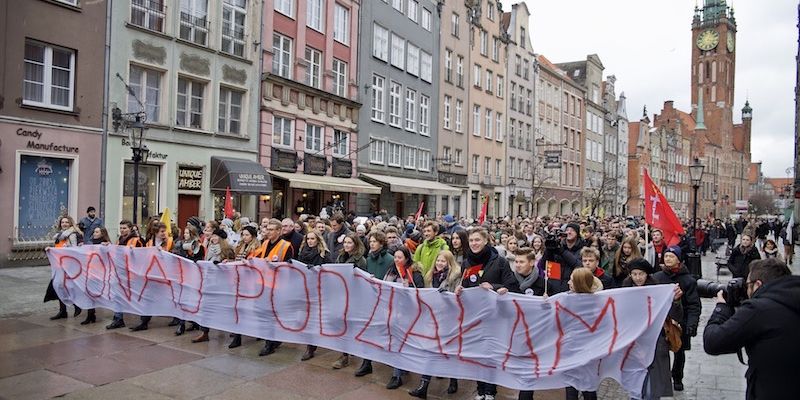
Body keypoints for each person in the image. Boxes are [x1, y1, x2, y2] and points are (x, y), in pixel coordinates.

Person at [703, 258, 800, 399]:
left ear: (758, 285)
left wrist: (722, 308)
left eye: (748, 285)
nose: (747, 291)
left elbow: (713, 342)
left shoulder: (759, 309)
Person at [455, 228, 518, 400]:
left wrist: (494, 288)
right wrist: (460, 289)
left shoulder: (500, 262)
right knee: (478, 354)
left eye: (477, 240)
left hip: (495, 317)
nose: (474, 243)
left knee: (491, 354)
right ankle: (480, 389)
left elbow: (512, 286)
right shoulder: (467, 263)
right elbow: (466, 285)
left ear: (485, 241)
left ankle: (490, 390)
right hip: (475, 317)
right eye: (472, 240)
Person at [622, 258, 684, 400]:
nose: (638, 278)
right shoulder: (624, 291)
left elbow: (676, 315)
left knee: (653, 388)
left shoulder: (657, 291)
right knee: (636, 384)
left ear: (647, 275)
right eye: (635, 274)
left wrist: (675, 300)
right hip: (634, 343)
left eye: (641, 274)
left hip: (656, 342)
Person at [409, 250, 461, 399]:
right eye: (438, 261)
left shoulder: (455, 277)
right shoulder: (430, 276)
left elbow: (459, 298)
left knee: (449, 352)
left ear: (449, 263)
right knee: (430, 352)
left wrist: (449, 295)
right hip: (433, 319)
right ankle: (423, 386)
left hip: (449, 321)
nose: (439, 263)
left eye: (443, 261)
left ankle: (453, 379)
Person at [652, 246, 701, 392]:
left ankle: (677, 377)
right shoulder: (657, 277)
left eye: (671, 256)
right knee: (661, 351)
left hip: (681, 321)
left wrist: (692, 324)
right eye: (666, 256)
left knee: (679, 351)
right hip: (661, 321)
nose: (668, 259)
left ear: (678, 259)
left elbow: (693, 304)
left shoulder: (688, 280)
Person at [382, 246, 425, 390]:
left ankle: (397, 376)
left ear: (407, 258)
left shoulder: (414, 274)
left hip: (408, 316)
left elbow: (421, 295)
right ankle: (401, 368)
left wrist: (410, 289)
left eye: (400, 258)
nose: (396, 260)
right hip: (392, 313)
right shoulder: (391, 271)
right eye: (395, 257)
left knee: (400, 344)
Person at [191, 229, 235, 343]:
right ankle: (204, 332)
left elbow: (234, 263)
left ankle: (233, 329)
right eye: (213, 236)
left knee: (225, 308)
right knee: (206, 307)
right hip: (210, 282)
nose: (213, 238)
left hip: (223, 284)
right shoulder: (209, 249)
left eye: (216, 236)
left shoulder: (227, 249)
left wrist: (226, 262)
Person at [331, 233, 367, 369]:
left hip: (353, 297)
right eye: (345, 242)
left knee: (350, 326)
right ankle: (345, 353)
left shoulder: (361, 260)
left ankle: (347, 354)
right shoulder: (341, 257)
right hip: (341, 295)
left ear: (356, 244)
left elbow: (361, 280)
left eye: (349, 243)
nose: (346, 245)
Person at [131, 222, 174, 332]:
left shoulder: (170, 242)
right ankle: (144, 321)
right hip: (153, 274)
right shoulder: (150, 243)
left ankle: (177, 318)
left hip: (166, 275)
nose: (165, 233)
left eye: (165, 231)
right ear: (156, 233)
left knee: (171, 297)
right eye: (162, 231)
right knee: (147, 297)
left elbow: (175, 256)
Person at [297, 230, 332, 361]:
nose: (310, 241)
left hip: (319, 290)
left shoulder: (324, 254)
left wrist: (317, 270)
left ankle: (312, 345)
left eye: (313, 239)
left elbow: (330, 271)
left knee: (316, 319)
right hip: (306, 289)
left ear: (318, 239)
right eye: (308, 239)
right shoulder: (302, 253)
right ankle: (310, 346)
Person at [106, 220, 143, 330]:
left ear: (130, 228)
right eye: (121, 228)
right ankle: (118, 319)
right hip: (121, 272)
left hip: (133, 274)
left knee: (137, 296)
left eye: (124, 228)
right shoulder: (119, 240)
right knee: (118, 295)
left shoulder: (136, 240)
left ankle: (144, 319)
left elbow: (142, 256)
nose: (122, 230)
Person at [44, 215, 83, 320]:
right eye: (62, 222)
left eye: (66, 222)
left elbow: (75, 250)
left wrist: (68, 248)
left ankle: (76, 305)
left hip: (68, 266)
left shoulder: (72, 235)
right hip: (59, 265)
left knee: (66, 287)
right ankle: (63, 311)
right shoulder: (59, 235)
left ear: (70, 223)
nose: (64, 224)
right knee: (58, 287)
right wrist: (51, 250)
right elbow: (58, 248)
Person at [80, 226, 112, 325]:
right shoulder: (91, 244)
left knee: (95, 294)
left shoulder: (106, 244)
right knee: (89, 293)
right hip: (91, 272)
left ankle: (92, 314)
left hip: (100, 273)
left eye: (97, 232)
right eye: (94, 231)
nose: (94, 233)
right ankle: (90, 314)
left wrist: (107, 246)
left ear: (102, 234)